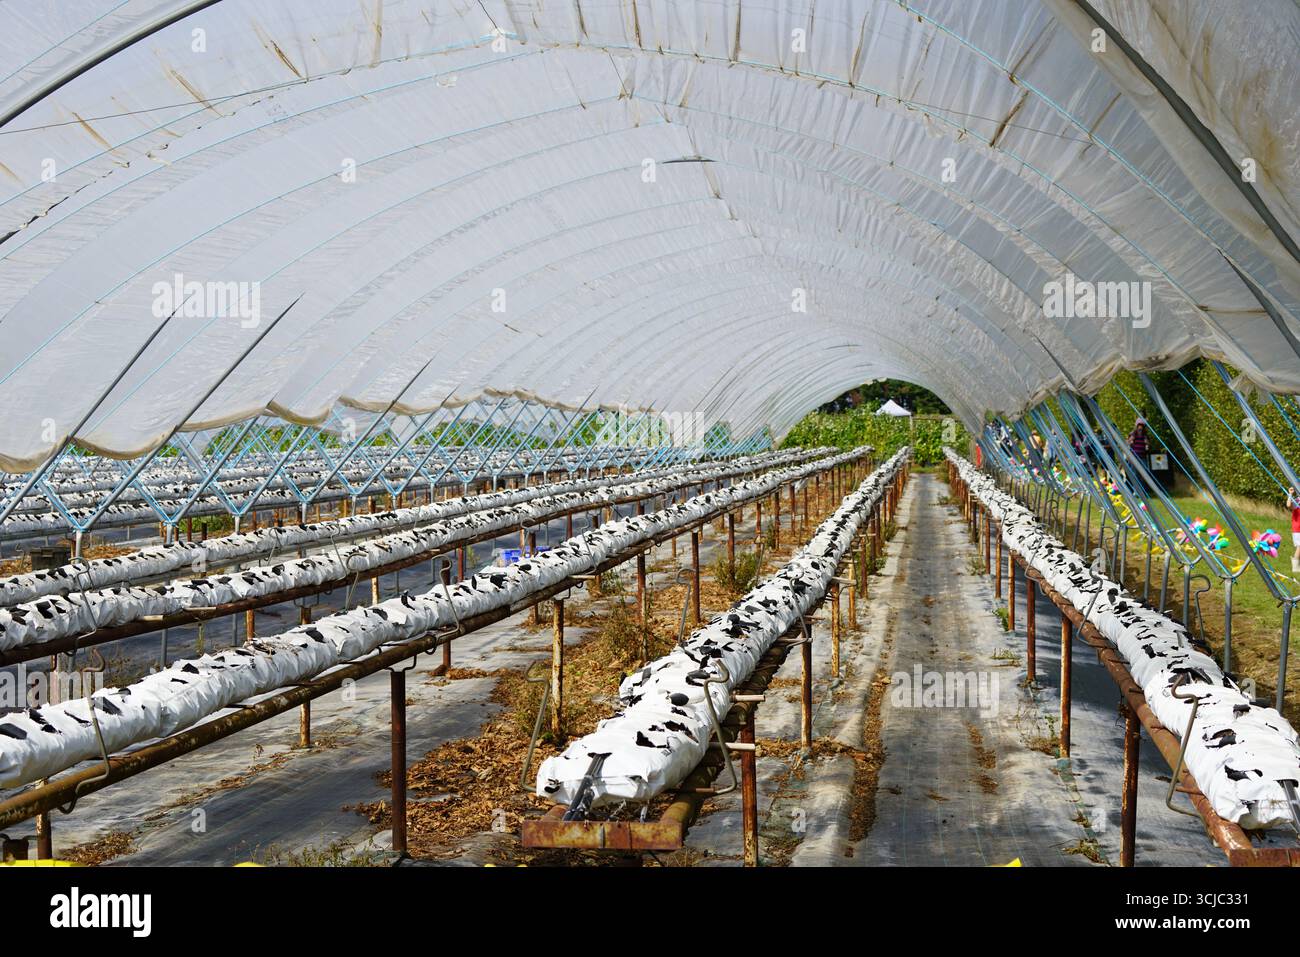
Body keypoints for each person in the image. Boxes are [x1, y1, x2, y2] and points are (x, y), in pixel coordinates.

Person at [1289, 487, 1300, 573]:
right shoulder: (1297, 501)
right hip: (1298, 528)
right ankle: (1295, 567)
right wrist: (1290, 494)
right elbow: (1289, 505)